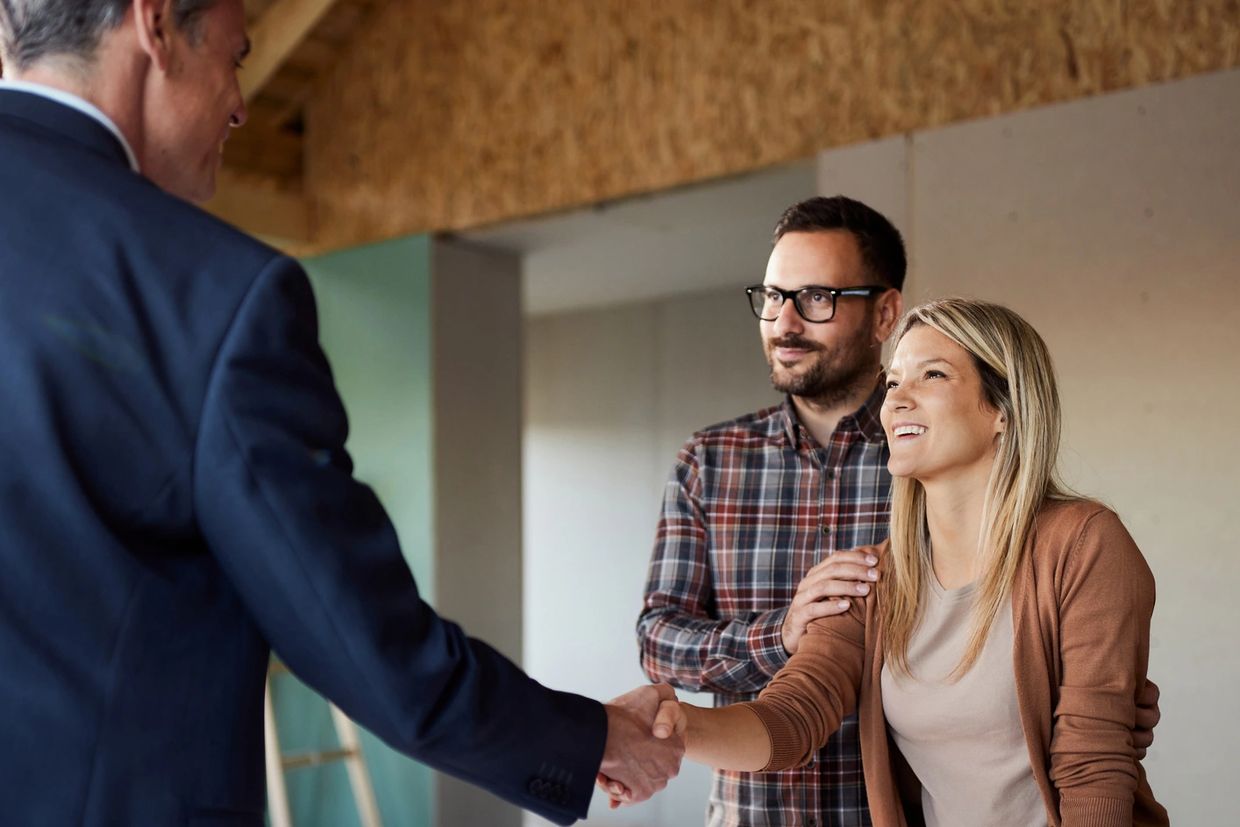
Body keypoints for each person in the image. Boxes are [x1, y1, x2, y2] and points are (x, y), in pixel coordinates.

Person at [0, 2, 679, 824]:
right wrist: (589, 736)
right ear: (155, 27)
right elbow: (358, 637)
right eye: (237, 54)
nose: (242, 102)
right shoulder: (215, 295)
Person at [636, 196, 1159, 826]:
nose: (898, 400)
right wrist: (665, 721)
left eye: (930, 375)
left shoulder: (1081, 544)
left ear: (1004, 410)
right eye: (774, 296)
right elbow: (789, 716)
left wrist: (1098, 691)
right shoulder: (876, 572)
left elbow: (1093, 767)